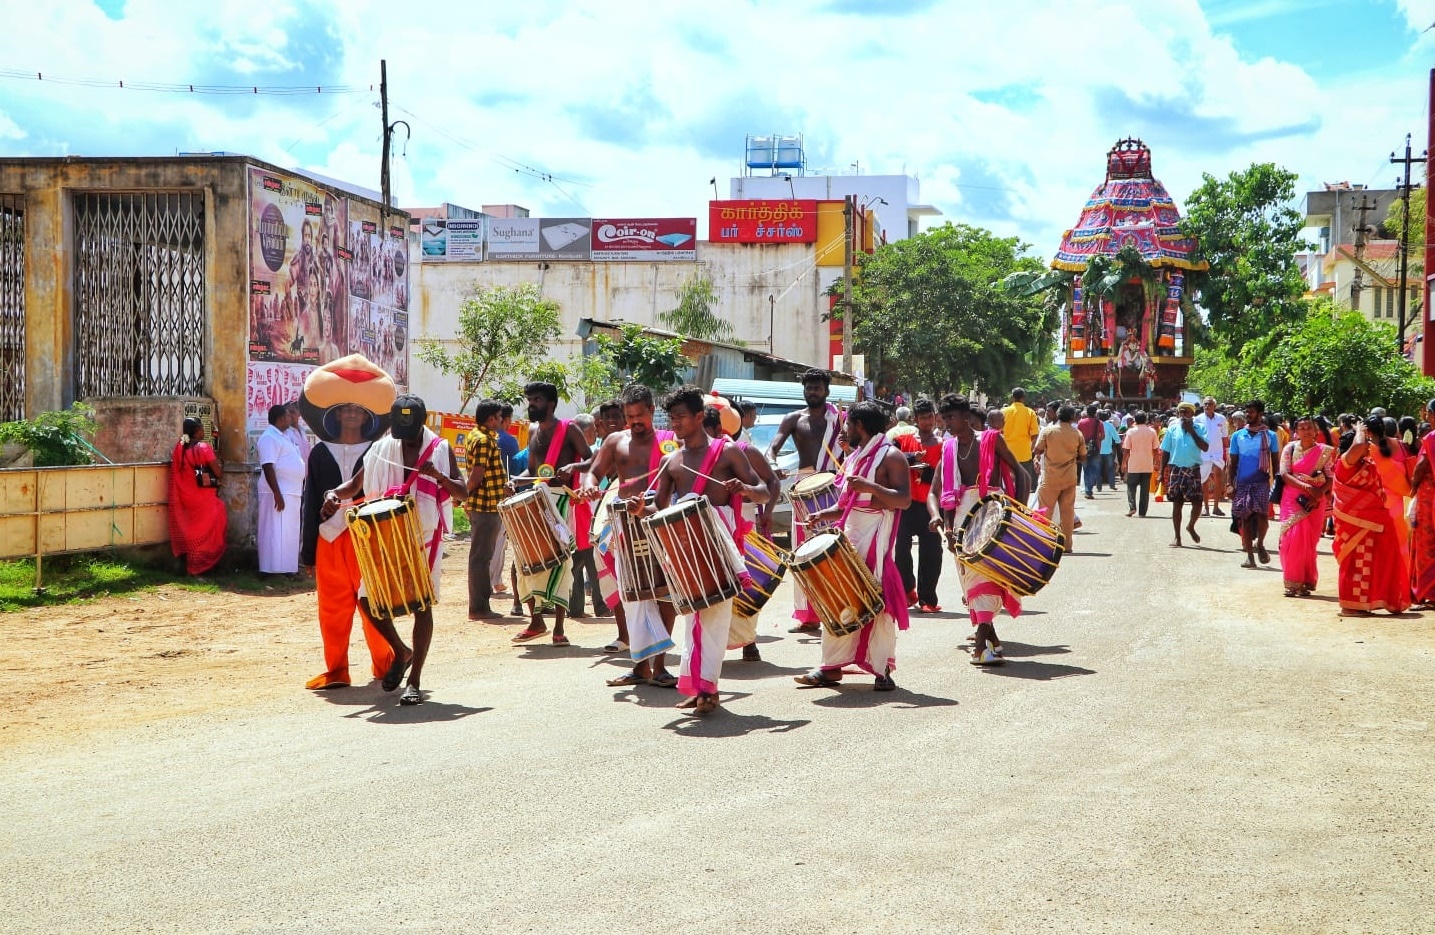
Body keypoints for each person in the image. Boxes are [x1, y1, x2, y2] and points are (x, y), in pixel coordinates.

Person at [325, 395, 466, 704]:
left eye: (410, 428)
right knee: (367, 600)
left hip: (423, 536)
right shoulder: (381, 449)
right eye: (399, 428)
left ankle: (414, 681)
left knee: (422, 605)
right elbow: (355, 485)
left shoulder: (440, 450)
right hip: (385, 535)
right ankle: (401, 651)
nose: (404, 435)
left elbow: (464, 492)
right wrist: (334, 494)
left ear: (423, 422)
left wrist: (439, 477)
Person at [649, 385, 768, 714]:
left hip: (720, 548)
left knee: (713, 618)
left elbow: (763, 492)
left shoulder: (727, 452)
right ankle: (699, 686)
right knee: (694, 619)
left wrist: (744, 487)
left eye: (682, 417)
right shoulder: (671, 461)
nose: (675, 424)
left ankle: (707, 688)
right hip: (685, 550)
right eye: (671, 418)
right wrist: (636, 509)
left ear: (700, 417)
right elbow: (658, 509)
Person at [794, 400, 909, 691]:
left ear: (859, 426)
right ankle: (830, 666)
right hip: (849, 536)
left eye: (847, 424)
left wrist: (870, 487)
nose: (843, 430)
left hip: (875, 538)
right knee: (838, 596)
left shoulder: (892, 457)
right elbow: (848, 502)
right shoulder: (855, 457)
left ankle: (882, 670)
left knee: (875, 601)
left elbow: (904, 500)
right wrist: (823, 514)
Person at [581, 383, 679, 688]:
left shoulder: (670, 443)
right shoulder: (614, 441)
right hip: (624, 524)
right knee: (632, 594)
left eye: (640, 415)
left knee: (663, 592)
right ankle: (639, 666)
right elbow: (594, 471)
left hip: (659, 520)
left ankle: (660, 666)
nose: (635, 421)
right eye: (629, 415)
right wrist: (588, 483)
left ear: (652, 411)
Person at [300, 402, 394, 690]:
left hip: (367, 536)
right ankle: (337, 670)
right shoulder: (319, 452)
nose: (352, 414)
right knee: (332, 609)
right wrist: (308, 552)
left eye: (359, 410)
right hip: (328, 538)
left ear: (367, 416)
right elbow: (311, 500)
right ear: (337, 415)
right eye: (346, 410)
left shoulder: (378, 451)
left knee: (374, 605)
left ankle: (387, 664)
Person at [928, 397, 1029, 664]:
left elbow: (1022, 474)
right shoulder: (948, 448)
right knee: (972, 579)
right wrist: (939, 518)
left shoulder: (991, 439)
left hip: (992, 513)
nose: (947, 423)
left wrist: (1018, 511)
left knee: (990, 575)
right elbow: (934, 492)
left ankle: (981, 647)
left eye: (951, 418)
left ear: (965, 417)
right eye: (944, 418)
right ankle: (991, 638)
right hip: (960, 522)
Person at [510, 382, 592, 646]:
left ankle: (559, 628)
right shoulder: (532, 430)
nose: (531, 404)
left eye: (537, 399)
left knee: (561, 562)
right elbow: (532, 470)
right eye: (529, 399)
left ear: (551, 404)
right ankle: (536, 622)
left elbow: (592, 459)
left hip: (561, 502)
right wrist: (516, 481)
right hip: (536, 500)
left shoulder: (569, 429)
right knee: (527, 560)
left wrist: (573, 466)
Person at [768, 369, 844, 633]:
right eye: (809, 388)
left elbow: (856, 449)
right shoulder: (793, 419)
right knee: (802, 551)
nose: (812, 392)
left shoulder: (840, 421)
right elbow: (773, 448)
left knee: (834, 550)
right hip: (803, 489)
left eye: (817, 388)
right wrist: (772, 463)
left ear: (827, 391)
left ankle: (837, 607)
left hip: (834, 488)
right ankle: (808, 615)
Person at [1333, 418, 1410, 616]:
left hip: (1374, 522)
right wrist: (1359, 430)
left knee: (1372, 563)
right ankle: (1350, 605)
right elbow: (1358, 445)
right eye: (1366, 445)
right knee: (1355, 564)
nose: (1368, 448)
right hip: (1354, 524)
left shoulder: (1367, 464)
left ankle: (1373, 601)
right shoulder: (1345, 464)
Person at [893, 397, 944, 612]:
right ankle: (907, 591)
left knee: (931, 553)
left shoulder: (943, 445)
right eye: (923, 418)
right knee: (901, 552)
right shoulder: (903, 440)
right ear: (915, 419)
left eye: (930, 417)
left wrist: (927, 474)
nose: (928, 422)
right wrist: (912, 458)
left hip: (930, 506)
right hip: (906, 504)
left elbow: (947, 474)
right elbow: (889, 455)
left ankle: (928, 600)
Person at [1277, 415, 1334, 598]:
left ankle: (1305, 582)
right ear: (1296, 431)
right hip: (1292, 499)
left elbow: (1330, 477)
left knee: (1308, 542)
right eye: (1302, 428)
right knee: (1290, 540)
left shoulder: (1324, 452)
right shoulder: (1289, 449)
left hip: (1315, 502)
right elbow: (1285, 474)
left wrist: (1319, 493)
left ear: (1315, 430)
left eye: (1309, 428)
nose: (1306, 431)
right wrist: (1306, 487)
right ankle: (1292, 583)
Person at [463, 399, 508, 621]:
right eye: (499, 417)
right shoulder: (483, 441)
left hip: (487, 504)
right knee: (481, 558)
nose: (501, 420)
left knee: (481, 557)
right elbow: (476, 477)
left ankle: (480, 605)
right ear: (491, 419)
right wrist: (465, 497)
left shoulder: (479, 436)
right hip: (486, 506)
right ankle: (479, 608)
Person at [168, 417, 227, 575]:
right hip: (203, 498)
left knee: (192, 530)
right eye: (201, 429)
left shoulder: (180, 448)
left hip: (185, 497)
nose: (203, 432)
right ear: (196, 431)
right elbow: (218, 472)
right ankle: (202, 566)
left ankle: (188, 565)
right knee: (211, 525)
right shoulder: (203, 447)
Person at [1227, 400, 1278, 568]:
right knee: (1245, 518)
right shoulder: (1237, 436)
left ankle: (1261, 544)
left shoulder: (1270, 436)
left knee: (1263, 517)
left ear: (1260, 414)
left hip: (1262, 482)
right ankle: (1250, 556)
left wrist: (1278, 483)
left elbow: (1275, 462)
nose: (1248, 415)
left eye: (1252, 412)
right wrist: (1230, 484)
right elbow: (1232, 463)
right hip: (1242, 483)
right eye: (1247, 412)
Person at [256, 404, 305, 575]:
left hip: (290, 491)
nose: (291, 418)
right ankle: (271, 569)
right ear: (281, 418)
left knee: (288, 531)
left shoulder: (283, 436)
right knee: (275, 531)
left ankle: (286, 568)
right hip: (277, 492)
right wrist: (277, 493)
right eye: (288, 416)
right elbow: (268, 466)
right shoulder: (270, 437)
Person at [1033, 405, 1085, 551]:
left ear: (1057, 415)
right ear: (1073, 417)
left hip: (1050, 477)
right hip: (1069, 477)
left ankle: (1042, 545)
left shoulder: (1048, 431)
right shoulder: (1077, 433)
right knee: (1067, 513)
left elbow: (1037, 450)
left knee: (1045, 511)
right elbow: (1083, 456)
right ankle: (1067, 546)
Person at [567, 413, 603, 618]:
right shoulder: (586, 456)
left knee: (580, 563)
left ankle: (577, 606)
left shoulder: (580, 456)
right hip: (584, 514)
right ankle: (599, 604)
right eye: (592, 431)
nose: (595, 434)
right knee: (590, 562)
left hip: (584, 512)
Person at [1159, 401, 1209, 548]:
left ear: (1192, 414)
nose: (1183, 414)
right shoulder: (1172, 429)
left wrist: (1192, 431)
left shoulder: (1200, 428)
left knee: (1197, 502)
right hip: (1177, 469)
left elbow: (1205, 447)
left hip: (1193, 469)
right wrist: (1161, 472)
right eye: (1180, 412)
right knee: (1177, 503)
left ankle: (1191, 526)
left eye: (1186, 412)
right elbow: (1166, 451)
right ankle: (1177, 537)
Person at [491, 403, 520, 599]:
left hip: (482, 496)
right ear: (506, 419)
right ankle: (495, 580)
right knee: (499, 541)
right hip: (502, 495)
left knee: (485, 541)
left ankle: (486, 580)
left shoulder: (481, 437)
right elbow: (514, 470)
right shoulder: (510, 441)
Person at [1410, 400, 1435, 606]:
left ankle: (1431, 592)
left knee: (1427, 543)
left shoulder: (1431, 438)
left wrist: (1412, 486)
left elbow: (1421, 466)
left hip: (1430, 498)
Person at [1120, 411, 1161, 517]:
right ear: (1146, 420)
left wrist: (1123, 463)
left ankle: (1132, 507)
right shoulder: (1151, 432)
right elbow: (1156, 450)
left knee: (1131, 487)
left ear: (1135, 420)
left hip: (1134, 464)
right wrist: (1157, 463)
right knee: (1145, 489)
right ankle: (1142, 512)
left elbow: (1126, 450)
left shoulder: (1130, 432)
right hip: (1147, 464)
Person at [1001, 386, 1040, 491]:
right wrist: (1032, 451)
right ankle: (1021, 506)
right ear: (1023, 398)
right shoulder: (1030, 412)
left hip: (1006, 453)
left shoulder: (1003, 412)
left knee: (1006, 484)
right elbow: (1035, 436)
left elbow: (998, 432)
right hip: (1024, 454)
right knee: (1023, 485)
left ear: (1012, 398)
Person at [1195, 396, 1229, 517]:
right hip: (1203, 454)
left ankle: (1216, 507)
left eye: (1209, 404)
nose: (1207, 406)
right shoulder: (1197, 419)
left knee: (1218, 479)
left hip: (1217, 453)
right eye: (1205, 404)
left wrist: (1228, 453)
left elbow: (1225, 437)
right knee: (1203, 480)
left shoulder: (1221, 419)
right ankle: (1206, 507)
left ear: (1214, 406)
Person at [1077, 405, 1104, 499]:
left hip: (1083, 448)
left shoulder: (1081, 422)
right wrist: (1096, 439)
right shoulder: (1099, 423)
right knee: (1094, 470)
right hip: (1096, 449)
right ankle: (1089, 489)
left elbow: (1078, 436)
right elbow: (1103, 436)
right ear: (1095, 413)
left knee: (1086, 470)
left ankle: (1088, 490)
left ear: (1087, 412)